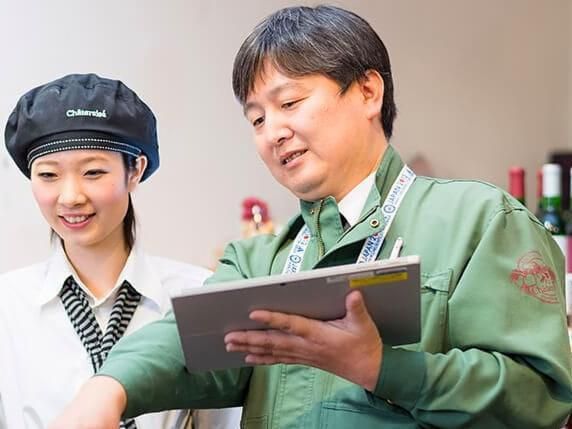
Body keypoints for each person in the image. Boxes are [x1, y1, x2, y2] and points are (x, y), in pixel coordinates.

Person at [51, 6, 572, 428]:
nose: (272, 132)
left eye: (290, 103)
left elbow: (539, 398)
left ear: (368, 92)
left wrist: (384, 368)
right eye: (256, 118)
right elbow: (185, 342)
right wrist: (109, 386)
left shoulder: (478, 221)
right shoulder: (258, 259)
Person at [0, 73, 241, 428]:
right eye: (49, 175)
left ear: (135, 171)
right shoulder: (7, 306)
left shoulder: (197, 295)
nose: (70, 196)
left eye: (93, 172)